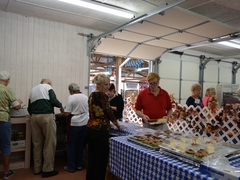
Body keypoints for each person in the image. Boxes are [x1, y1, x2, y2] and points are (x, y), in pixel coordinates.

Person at [86, 74, 121, 180]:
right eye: (106, 84)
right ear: (99, 84)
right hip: (100, 131)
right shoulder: (102, 96)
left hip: (91, 128)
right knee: (101, 160)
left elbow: (95, 113)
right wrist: (117, 124)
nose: (107, 86)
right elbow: (109, 112)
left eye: (108, 84)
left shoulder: (91, 95)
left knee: (92, 158)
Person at [27, 79, 63, 178]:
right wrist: (61, 106)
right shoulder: (48, 87)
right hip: (47, 116)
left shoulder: (32, 90)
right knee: (49, 143)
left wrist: (35, 115)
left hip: (34, 117)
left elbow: (29, 108)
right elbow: (53, 101)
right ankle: (47, 170)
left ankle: (37, 169)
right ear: (48, 83)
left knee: (37, 143)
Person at [58, 83, 88, 172]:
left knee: (71, 146)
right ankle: (79, 165)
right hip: (84, 123)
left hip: (74, 124)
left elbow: (67, 113)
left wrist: (61, 115)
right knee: (80, 145)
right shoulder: (85, 97)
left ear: (71, 91)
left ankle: (71, 167)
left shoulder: (71, 97)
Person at [0, 71, 22, 180]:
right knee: (5, 145)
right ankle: (6, 172)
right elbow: (17, 107)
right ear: (7, 80)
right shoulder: (7, 90)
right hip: (3, 119)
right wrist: (19, 102)